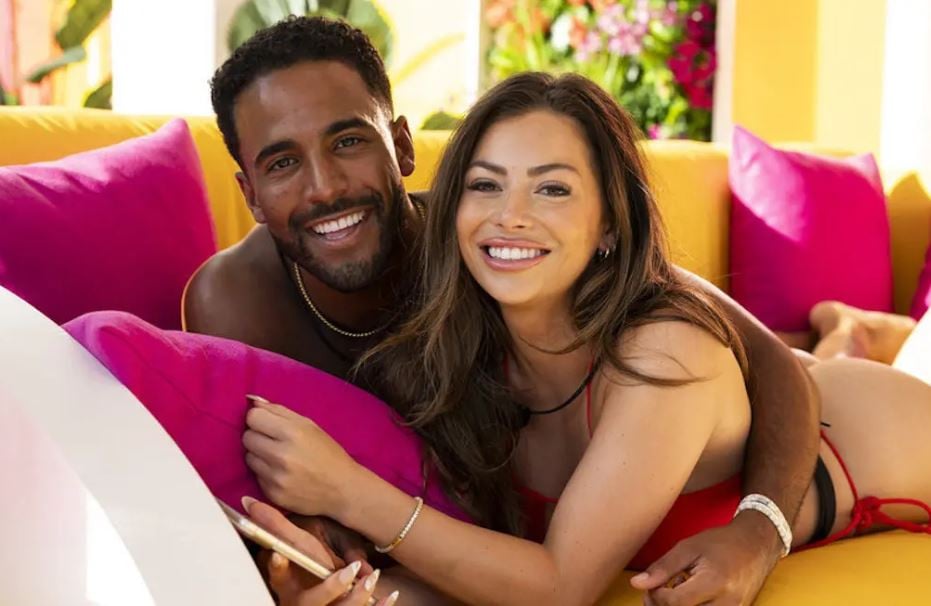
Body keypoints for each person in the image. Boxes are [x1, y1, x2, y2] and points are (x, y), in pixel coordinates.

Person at [188, 16, 821, 604]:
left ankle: (840, 329)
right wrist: (294, 564)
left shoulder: (487, 245)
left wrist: (760, 532)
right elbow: (266, 497)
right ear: (250, 193)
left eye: (349, 141)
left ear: (401, 146)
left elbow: (766, 361)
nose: (324, 187)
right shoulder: (233, 304)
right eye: (282, 163)